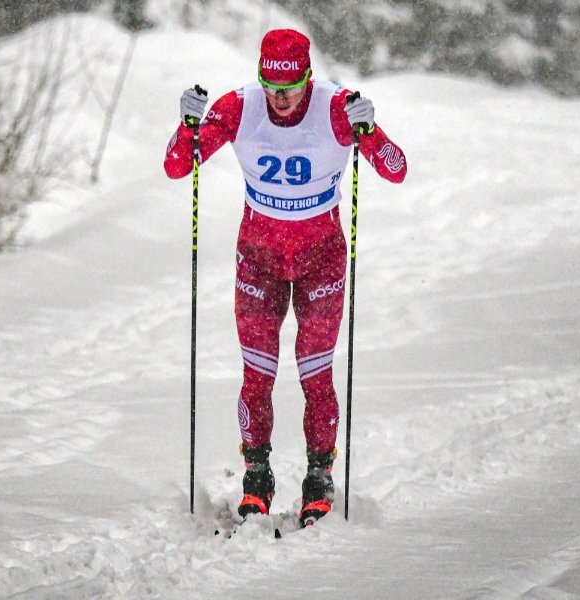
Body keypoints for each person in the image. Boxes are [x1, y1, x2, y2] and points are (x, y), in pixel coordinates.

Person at [163, 29, 407, 527]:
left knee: (315, 373)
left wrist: (371, 130)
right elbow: (175, 166)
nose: (279, 99)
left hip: (321, 261)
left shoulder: (337, 107)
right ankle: (258, 477)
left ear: (307, 78)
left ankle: (319, 479)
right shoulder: (239, 106)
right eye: (271, 87)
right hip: (259, 260)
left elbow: (396, 169)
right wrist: (186, 125)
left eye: (290, 88)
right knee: (258, 373)